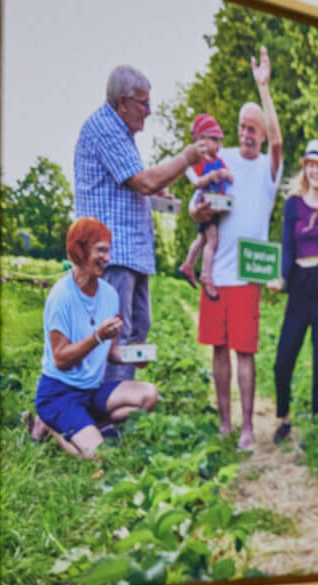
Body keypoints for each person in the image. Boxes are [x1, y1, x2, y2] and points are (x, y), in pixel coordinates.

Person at [72, 65, 218, 385]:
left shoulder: (122, 133)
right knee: (116, 334)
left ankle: (122, 401)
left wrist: (154, 195)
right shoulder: (105, 129)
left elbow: (133, 188)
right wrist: (187, 157)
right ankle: (105, 414)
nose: (149, 112)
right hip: (113, 253)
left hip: (132, 251)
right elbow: (144, 182)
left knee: (140, 327)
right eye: (143, 103)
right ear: (123, 103)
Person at [196, 46, 281, 451]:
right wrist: (200, 211)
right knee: (218, 349)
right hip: (216, 273)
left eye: (254, 129)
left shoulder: (267, 169)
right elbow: (198, 208)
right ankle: (226, 424)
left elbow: (280, 142)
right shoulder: (222, 159)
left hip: (248, 275)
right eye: (243, 127)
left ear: (262, 135)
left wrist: (263, 89)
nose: (247, 134)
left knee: (244, 352)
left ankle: (248, 427)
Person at [25, 217, 160, 461]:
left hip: (91, 390)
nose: (108, 258)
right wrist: (97, 337)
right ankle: (51, 424)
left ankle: (82, 425)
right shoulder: (61, 297)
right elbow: (61, 360)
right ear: (81, 249)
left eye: (108, 251)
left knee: (149, 395)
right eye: (101, 251)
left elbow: (113, 352)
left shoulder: (109, 295)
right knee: (99, 457)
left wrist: (135, 356)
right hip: (59, 394)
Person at [268, 140, 318, 448]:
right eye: (310, 165)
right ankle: (284, 418)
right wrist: (281, 278)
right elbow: (286, 246)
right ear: (305, 169)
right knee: (283, 359)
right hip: (299, 284)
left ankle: (317, 427)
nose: (315, 171)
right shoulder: (293, 205)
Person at [176, 113, 231, 291]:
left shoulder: (219, 161)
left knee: (201, 239)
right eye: (213, 140)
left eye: (218, 141)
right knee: (212, 241)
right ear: (201, 140)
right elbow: (196, 182)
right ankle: (206, 275)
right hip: (207, 205)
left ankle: (188, 265)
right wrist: (211, 177)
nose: (218, 145)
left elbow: (230, 177)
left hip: (217, 203)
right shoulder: (199, 161)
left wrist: (225, 175)